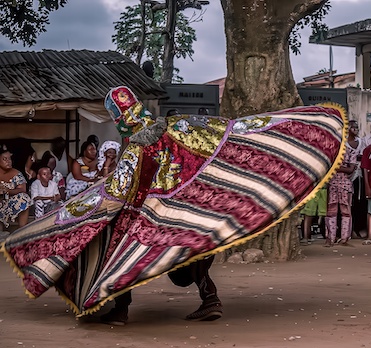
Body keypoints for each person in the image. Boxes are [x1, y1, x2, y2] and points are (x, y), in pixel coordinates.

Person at [1, 86, 347, 325]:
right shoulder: (176, 126)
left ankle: (120, 311)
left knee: (118, 257)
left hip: (144, 216)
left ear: (119, 118)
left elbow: (120, 190)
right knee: (191, 254)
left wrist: (87, 204)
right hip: (187, 208)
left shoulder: (134, 148)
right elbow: (223, 134)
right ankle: (210, 299)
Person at [324, 146, 356, 246]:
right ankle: (330, 238)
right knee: (331, 212)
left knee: (345, 212)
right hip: (333, 184)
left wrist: (335, 167)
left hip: (344, 185)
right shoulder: (331, 149)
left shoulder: (350, 151)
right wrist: (344, 168)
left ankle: (344, 239)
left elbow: (351, 169)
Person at [0, 144, 32, 232]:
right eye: (4, 159)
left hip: (10, 203)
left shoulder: (16, 173)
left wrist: (8, 191)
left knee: (24, 198)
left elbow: (22, 189)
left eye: (9, 159)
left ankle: (22, 231)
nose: (8, 161)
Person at [347, 120, 367, 238]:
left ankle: (359, 228)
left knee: (361, 203)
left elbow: (364, 156)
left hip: (360, 174)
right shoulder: (344, 143)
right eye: (353, 127)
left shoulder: (361, 142)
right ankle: (350, 229)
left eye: (357, 127)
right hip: (348, 177)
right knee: (350, 203)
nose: (356, 130)